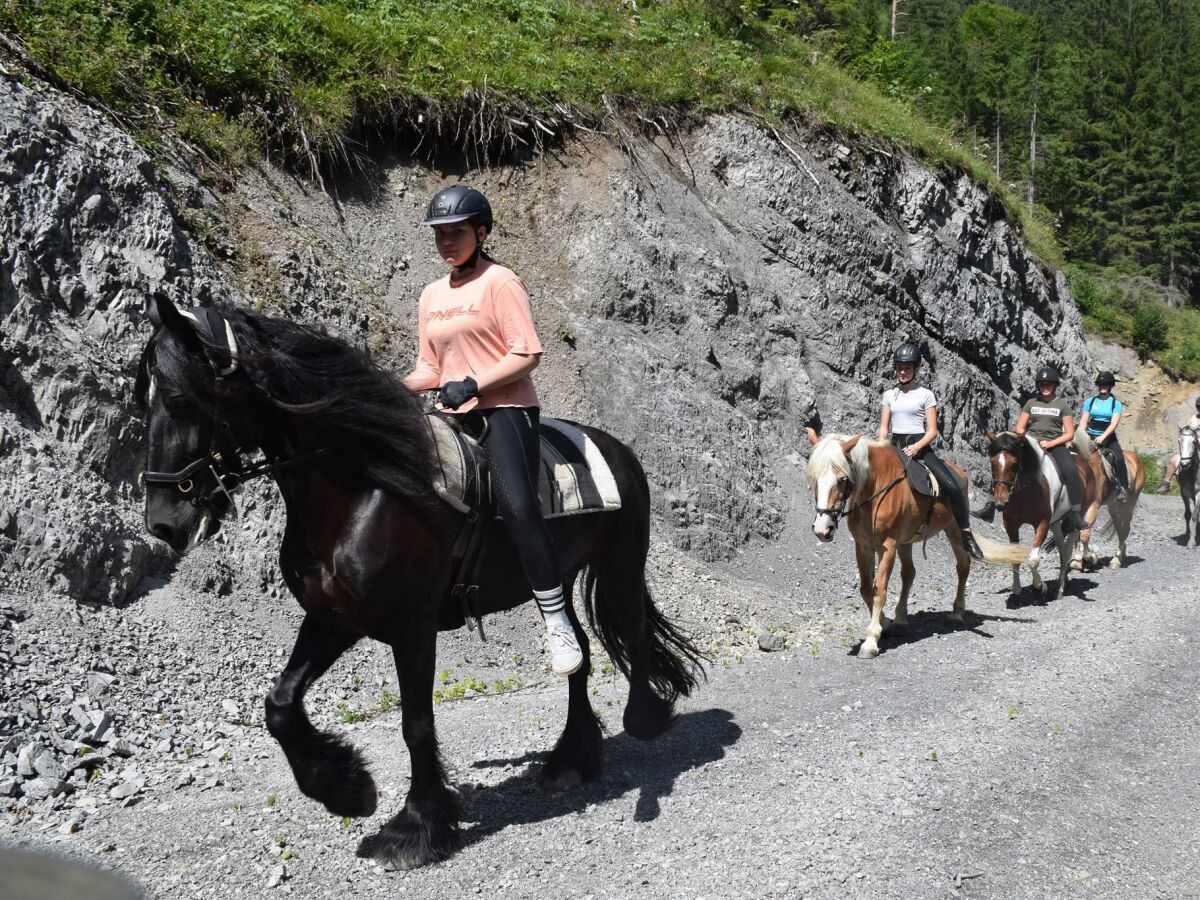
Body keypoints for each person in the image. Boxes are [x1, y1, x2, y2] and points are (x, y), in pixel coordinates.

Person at [402, 185, 582, 676]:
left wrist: (475, 383)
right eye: (439, 235)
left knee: (516, 505)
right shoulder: (431, 296)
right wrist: (390, 384)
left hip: (505, 410)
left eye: (456, 232)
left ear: (481, 232)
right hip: (451, 413)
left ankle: (556, 620)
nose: (446, 242)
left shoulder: (501, 281)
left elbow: (527, 353)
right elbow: (427, 366)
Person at [877, 344, 985, 560]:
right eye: (899, 367)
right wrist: (881, 443)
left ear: (915, 369)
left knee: (953, 486)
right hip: (895, 446)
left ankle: (966, 533)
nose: (902, 372)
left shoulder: (926, 395)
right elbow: (884, 426)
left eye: (907, 368)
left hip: (920, 447)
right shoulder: (889, 395)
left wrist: (917, 447)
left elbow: (932, 430)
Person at [974, 366, 1089, 531]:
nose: (1045, 387)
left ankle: (1076, 514)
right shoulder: (1031, 403)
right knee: (1003, 465)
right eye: (1042, 384)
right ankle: (990, 506)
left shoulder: (1063, 406)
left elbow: (1070, 433)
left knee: (1071, 470)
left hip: (1054, 443)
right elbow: (1020, 426)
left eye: (1049, 384)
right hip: (1031, 442)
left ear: (1055, 385)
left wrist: (1051, 443)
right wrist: (1024, 438)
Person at [1078, 372, 1129, 501]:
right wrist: (1081, 436)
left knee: (1119, 459)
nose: (1102, 386)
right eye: (1100, 384)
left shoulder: (1115, 404)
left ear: (1110, 386)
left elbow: (1113, 424)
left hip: (1108, 437)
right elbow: (1084, 421)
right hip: (1090, 435)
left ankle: (1123, 488)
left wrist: (1102, 437)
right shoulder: (1090, 401)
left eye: (1105, 384)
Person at [1157, 395, 1200, 493]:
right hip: (1190, 447)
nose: (1199, 409)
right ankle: (1166, 484)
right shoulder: (1191, 420)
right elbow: (1185, 433)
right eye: (1198, 407)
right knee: (1173, 461)